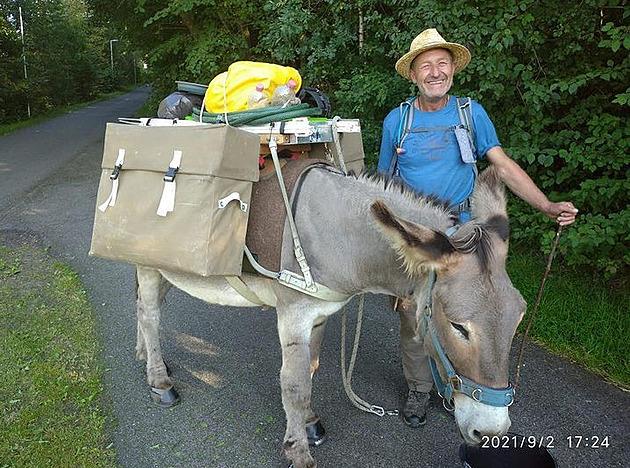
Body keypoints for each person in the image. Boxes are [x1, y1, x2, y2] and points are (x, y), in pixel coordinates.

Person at [377, 28, 578, 428]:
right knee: (412, 315)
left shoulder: (472, 113)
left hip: (466, 236)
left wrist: (546, 206)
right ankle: (419, 388)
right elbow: (385, 181)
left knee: (476, 316)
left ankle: (471, 385)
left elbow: (500, 165)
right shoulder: (397, 121)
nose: (435, 72)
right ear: (413, 76)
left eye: (442, 64)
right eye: (426, 67)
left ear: (452, 69)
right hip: (421, 240)